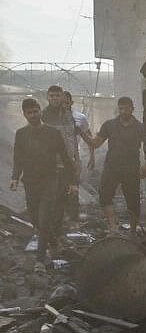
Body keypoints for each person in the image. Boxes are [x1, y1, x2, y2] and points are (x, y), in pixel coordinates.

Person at [9, 98, 77, 265]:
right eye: (29, 112)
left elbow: (65, 159)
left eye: (35, 111)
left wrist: (73, 182)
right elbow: (18, 158)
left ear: (40, 111)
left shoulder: (53, 133)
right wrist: (15, 178)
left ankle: (40, 261)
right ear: (24, 114)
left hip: (50, 181)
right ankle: (53, 240)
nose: (33, 115)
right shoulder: (21, 134)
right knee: (35, 219)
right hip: (30, 182)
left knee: (44, 218)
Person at [87, 97, 146, 233]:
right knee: (104, 196)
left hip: (131, 168)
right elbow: (96, 143)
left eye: (127, 108)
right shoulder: (110, 125)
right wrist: (82, 132)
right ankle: (113, 227)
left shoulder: (140, 127)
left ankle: (133, 230)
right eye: (121, 108)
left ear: (132, 109)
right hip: (112, 167)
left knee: (133, 200)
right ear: (118, 109)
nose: (124, 111)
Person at [42, 85, 84, 234]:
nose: (54, 98)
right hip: (52, 164)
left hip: (69, 163)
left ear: (62, 97)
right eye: (51, 96)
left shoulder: (68, 116)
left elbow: (72, 139)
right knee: (53, 198)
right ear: (47, 97)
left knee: (69, 194)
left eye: (57, 96)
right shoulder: (44, 116)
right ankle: (52, 231)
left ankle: (65, 227)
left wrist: (77, 160)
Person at [62, 90, 94, 227]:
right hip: (54, 160)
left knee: (73, 187)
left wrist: (92, 157)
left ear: (71, 102)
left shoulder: (79, 118)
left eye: (66, 102)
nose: (64, 104)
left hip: (74, 159)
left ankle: (73, 217)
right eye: (61, 102)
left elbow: (90, 138)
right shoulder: (52, 117)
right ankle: (60, 215)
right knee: (58, 187)